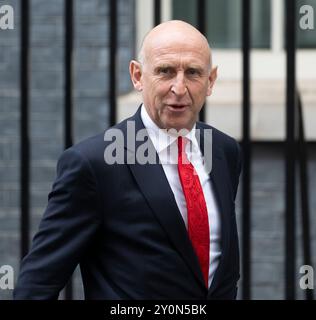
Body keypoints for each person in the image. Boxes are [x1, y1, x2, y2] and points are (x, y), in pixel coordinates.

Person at [14, 20, 242, 300]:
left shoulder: (224, 150)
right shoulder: (94, 164)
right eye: (165, 71)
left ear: (211, 81)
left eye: (193, 73)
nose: (179, 88)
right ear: (137, 76)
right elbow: (37, 284)